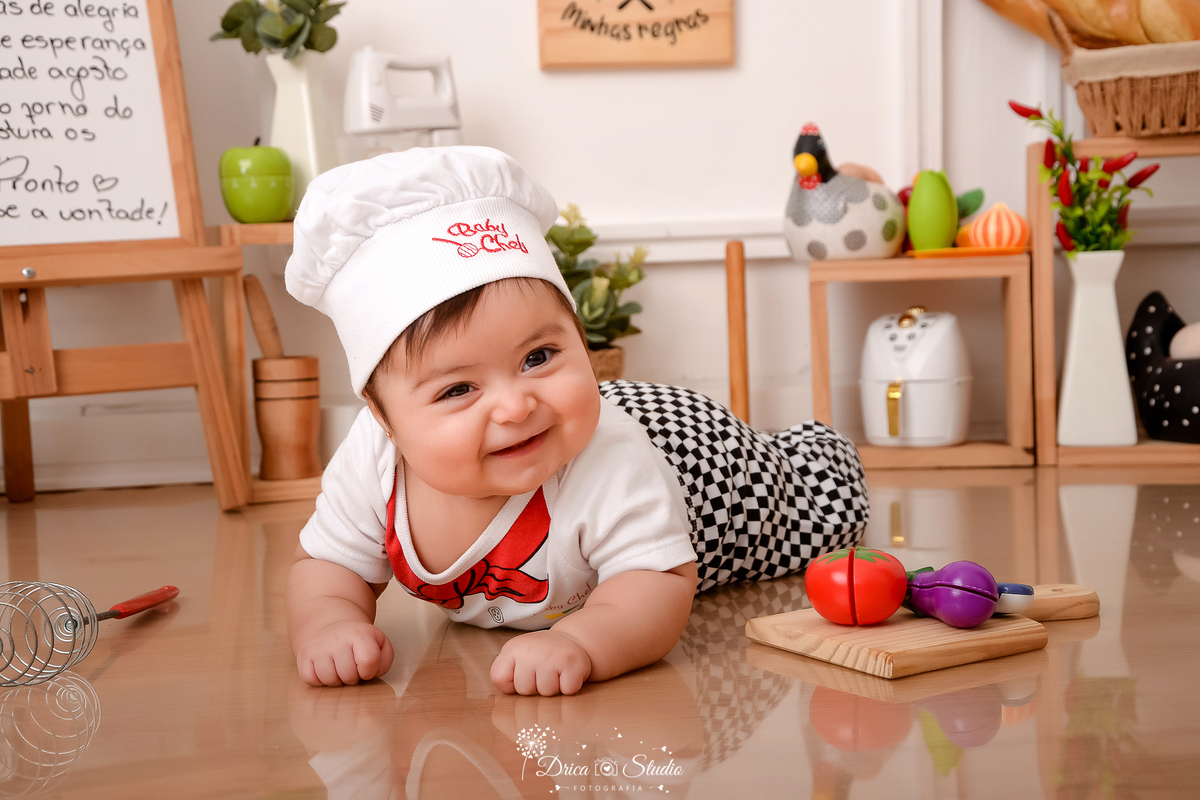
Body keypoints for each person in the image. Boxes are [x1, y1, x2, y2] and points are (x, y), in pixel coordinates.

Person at [284, 147, 869, 696]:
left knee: (813, 508)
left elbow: (656, 583)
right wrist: (328, 625)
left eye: (539, 357)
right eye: (458, 389)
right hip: (612, 431)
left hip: (694, 458)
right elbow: (329, 567)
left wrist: (582, 640)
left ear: (581, 342)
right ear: (384, 418)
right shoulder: (373, 463)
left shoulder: (616, 457)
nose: (516, 406)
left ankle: (802, 454)